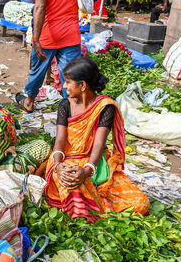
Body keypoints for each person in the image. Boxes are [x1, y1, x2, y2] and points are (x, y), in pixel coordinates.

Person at [44, 57, 149, 223]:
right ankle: (90, 206)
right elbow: (60, 141)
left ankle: (94, 205)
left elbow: (99, 144)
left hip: (95, 163)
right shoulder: (65, 105)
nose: (64, 86)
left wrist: (87, 170)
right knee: (72, 186)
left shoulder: (105, 107)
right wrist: (58, 166)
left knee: (140, 203)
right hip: (66, 160)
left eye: (69, 82)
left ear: (83, 85)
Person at [15, 0, 81, 113]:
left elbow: (40, 7)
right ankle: (73, 110)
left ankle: (29, 102)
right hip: (71, 34)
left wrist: (36, 40)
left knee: (38, 71)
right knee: (71, 75)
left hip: (48, 36)